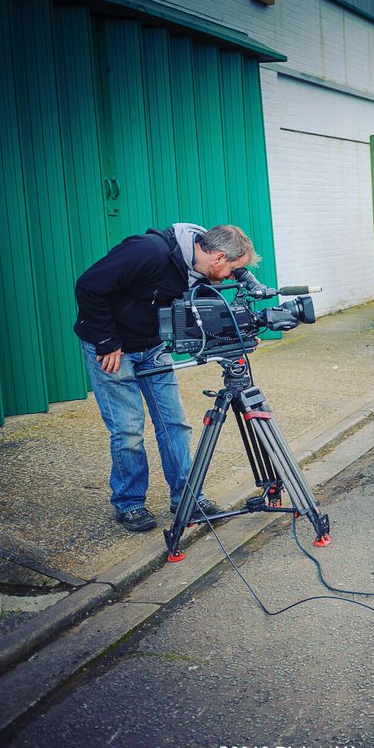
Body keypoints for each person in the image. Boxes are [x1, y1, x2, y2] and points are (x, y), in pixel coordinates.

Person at [74, 224, 259, 532]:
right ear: (217, 257)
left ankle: (188, 498)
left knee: (173, 423)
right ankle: (129, 503)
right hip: (111, 347)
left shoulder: (201, 267)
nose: (231, 276)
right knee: (128, 428)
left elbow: (201, 311)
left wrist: (240, 332)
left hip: (152, 344)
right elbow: (89, 285)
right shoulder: (148, 251)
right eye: (231, 269)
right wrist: (107, 341)